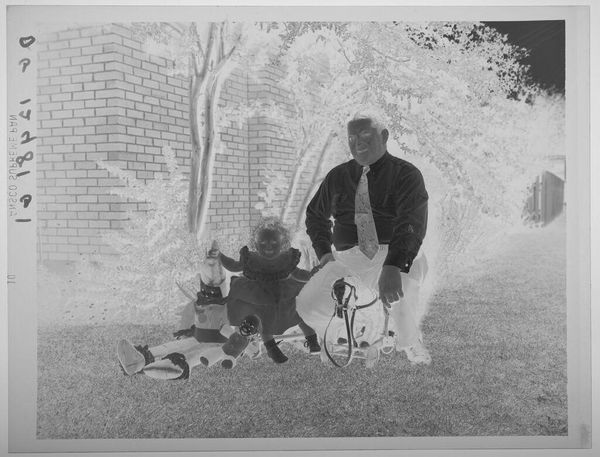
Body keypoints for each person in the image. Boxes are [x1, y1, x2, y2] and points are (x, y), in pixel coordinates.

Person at [296, 112, 431, 365]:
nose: (357, 142)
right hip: (349, 257)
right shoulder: (338, 176)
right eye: (352, 137)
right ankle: (346, 332)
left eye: (365, 134)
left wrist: (393, 266)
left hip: (396, 251)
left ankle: (410, 341)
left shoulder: (406, 174)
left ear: (384, 136)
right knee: (308, 304)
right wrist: (325, 255)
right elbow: (315, 216)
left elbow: (411, 224)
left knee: (401, 287)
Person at [217, 216, 321, 365]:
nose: (268, 246)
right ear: (256, 244)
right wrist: (220, 256)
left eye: (274, 242)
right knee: (264, 322)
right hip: (260, 298)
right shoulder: (251, 259)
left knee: (299, 314)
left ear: (282, 243)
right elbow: (234, 266)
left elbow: (298, 274)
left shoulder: (286, 259)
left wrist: (311, 275)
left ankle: (312, 340)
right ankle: (272, 349)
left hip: (284, 296)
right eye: (263, 243)